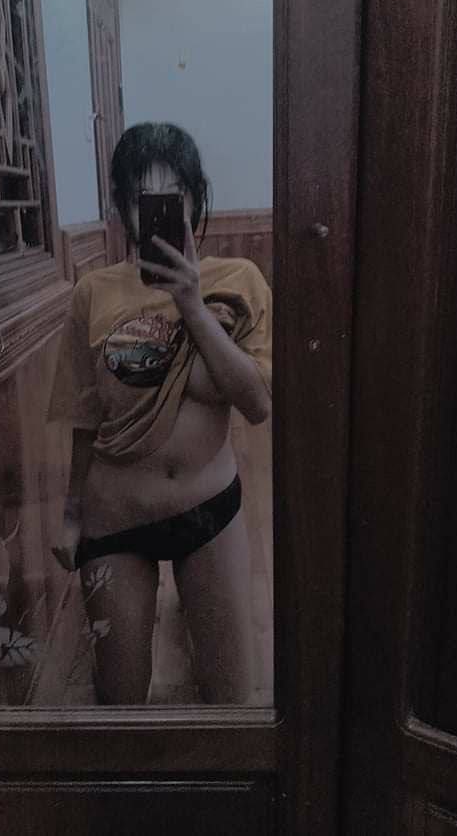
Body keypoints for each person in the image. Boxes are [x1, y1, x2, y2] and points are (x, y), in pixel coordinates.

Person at [47, 122, 272, 704]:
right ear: (121, 207)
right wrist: (70, 515)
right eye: (140, 199)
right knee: (120, 700)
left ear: (195, 198)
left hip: (209, 509)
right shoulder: (93, 292)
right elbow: (84, 417)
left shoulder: (238, 281)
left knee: (231, 697)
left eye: (172, 197)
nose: (155, 213)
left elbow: (256, 402)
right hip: (115, 519)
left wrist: (191, 302)